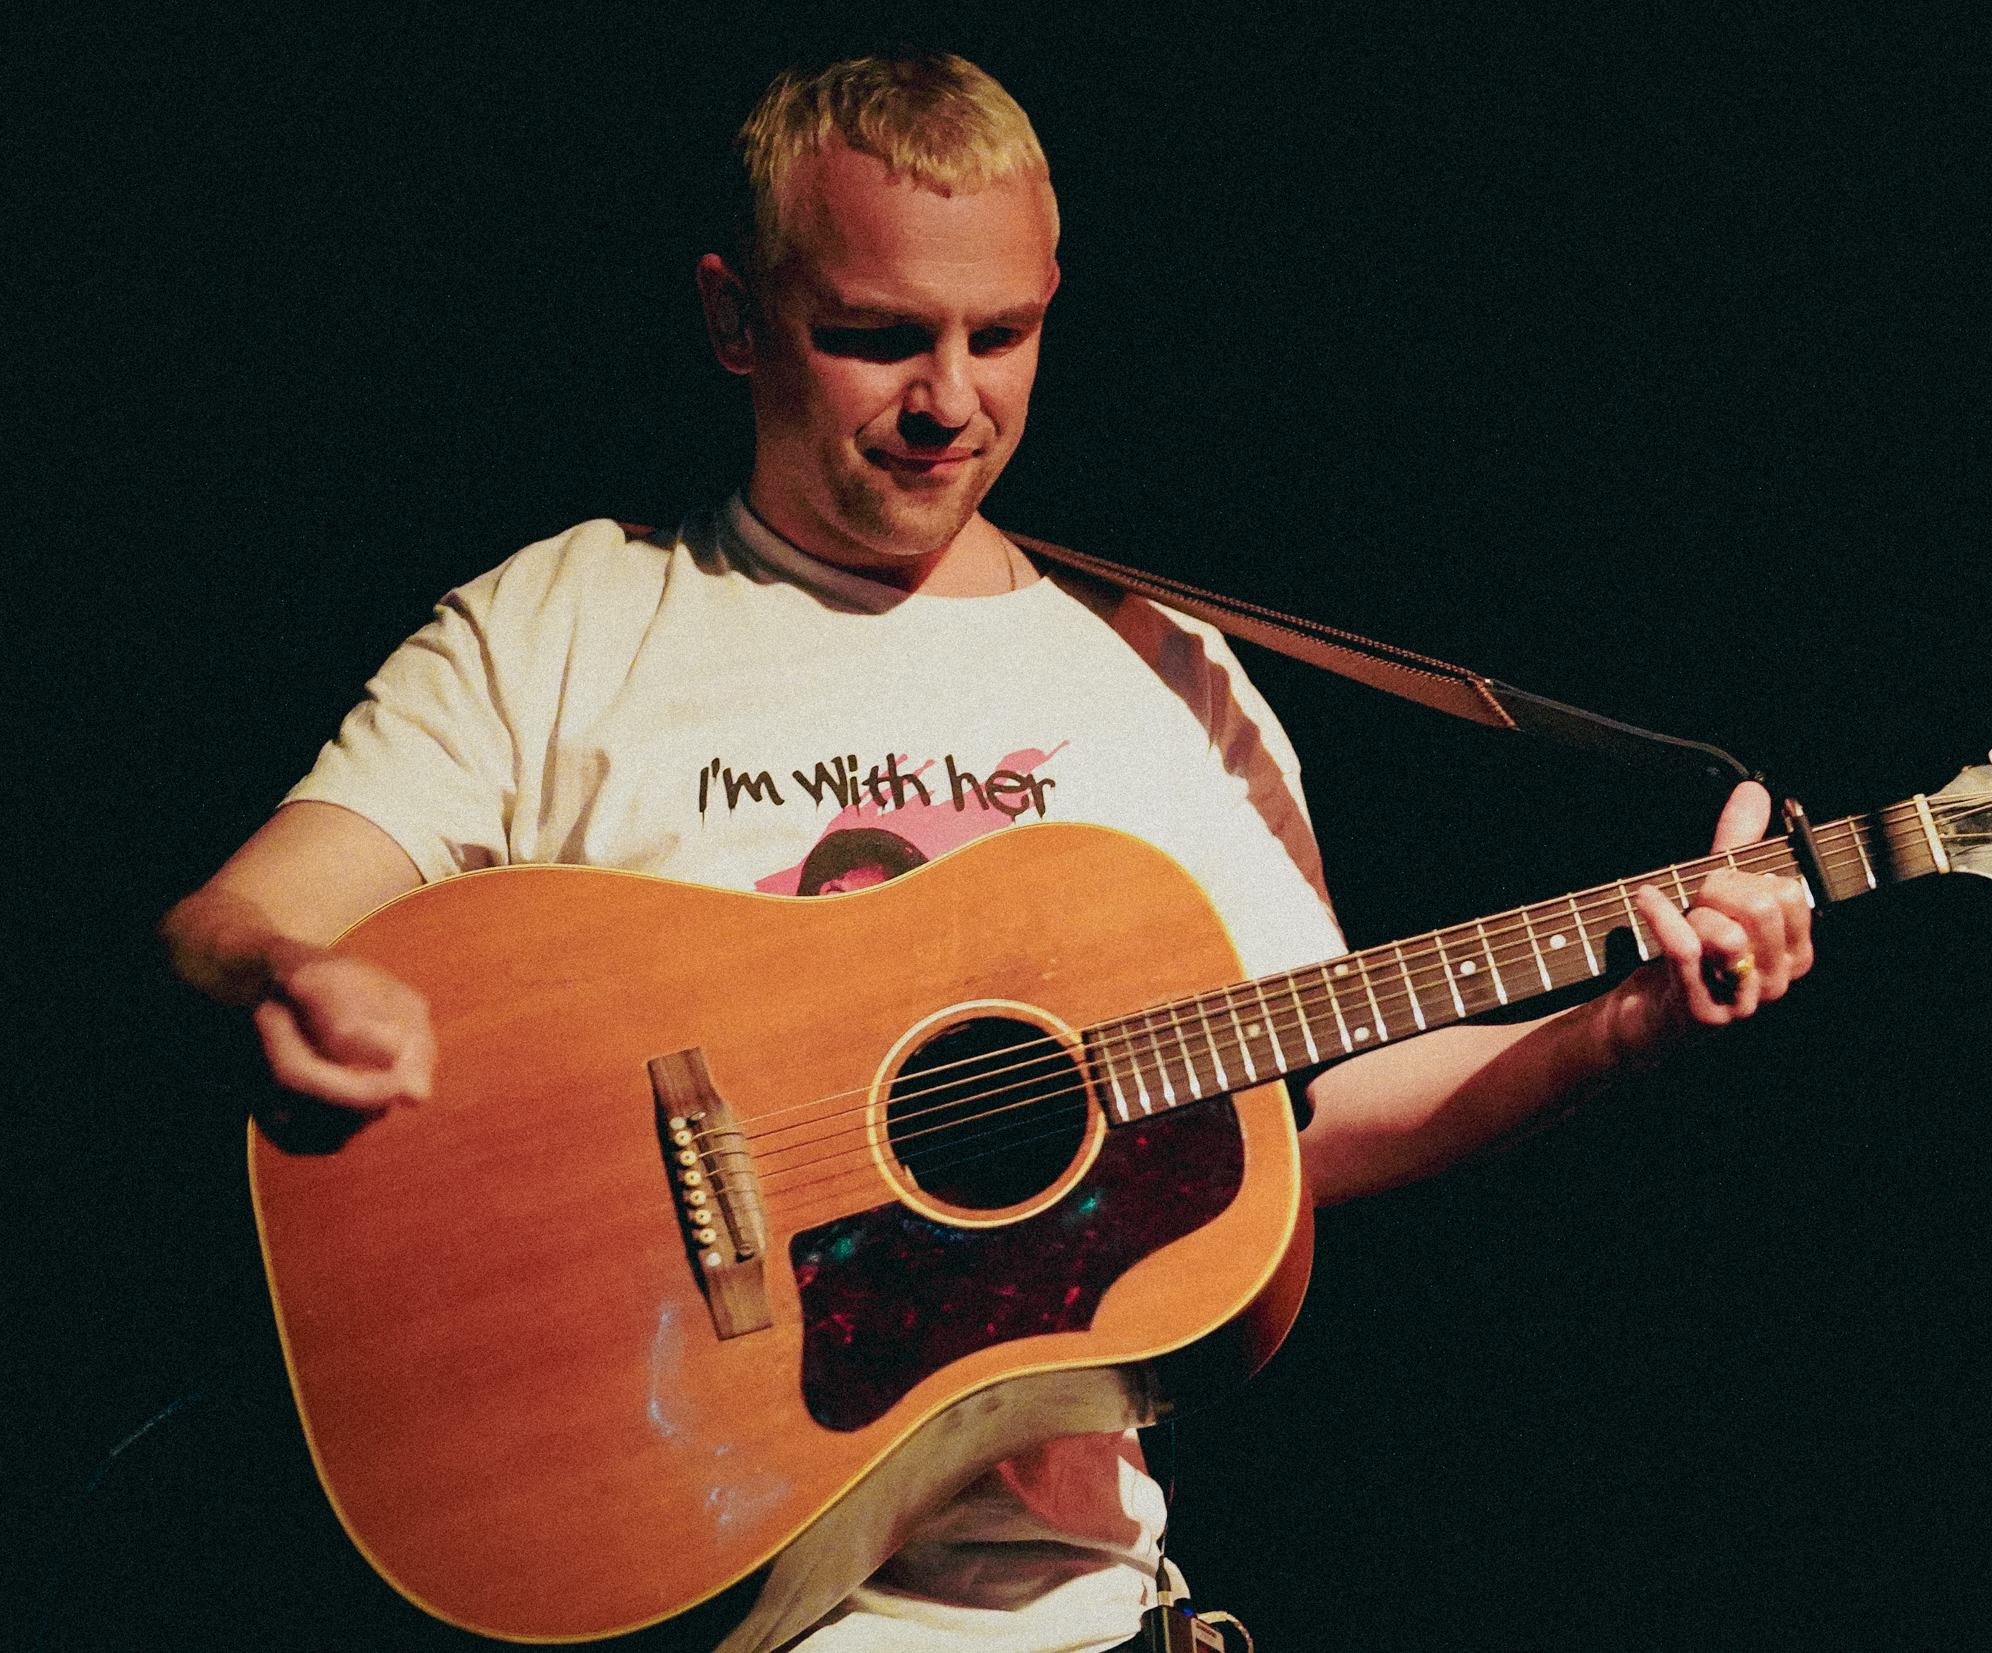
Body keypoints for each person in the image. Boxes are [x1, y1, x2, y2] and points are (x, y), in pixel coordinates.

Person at [160, 50, 1814, 1653]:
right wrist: (287, 979)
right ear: (733, 315)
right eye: (877, 337)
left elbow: (1301, 1104)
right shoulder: (569, 622)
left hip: (1074, 1621)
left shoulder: (1161, 674)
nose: (950, 404)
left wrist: (1620, 1028)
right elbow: (241, 912)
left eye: (1001, 334)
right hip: (668, 1533)